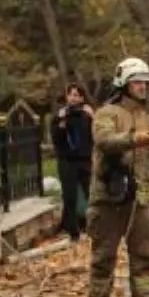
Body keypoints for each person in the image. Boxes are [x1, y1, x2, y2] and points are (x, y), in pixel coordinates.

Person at [86, 57, 149, 297]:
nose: (142, 86)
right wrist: (132, 139)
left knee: (144, 257)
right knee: (103, 256)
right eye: (137, 81)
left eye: (145, 82)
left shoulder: (148, 119)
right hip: (109, 199)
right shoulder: (107, 114)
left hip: (143, 199)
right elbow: (104, 141)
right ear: (123, 84)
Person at [51, 83, 94, 242]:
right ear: (67, 97)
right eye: (71, 95)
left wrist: (93, 117)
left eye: (77, 95)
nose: (73, 98)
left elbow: (98, 135)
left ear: (82, 98)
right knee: (70, 196)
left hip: (85, 159)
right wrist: (60, 122)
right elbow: (56, 139)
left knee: (91, 194)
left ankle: (93, 227)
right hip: (67, 161)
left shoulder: (87, 115)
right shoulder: (60, 115)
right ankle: (73, 231)